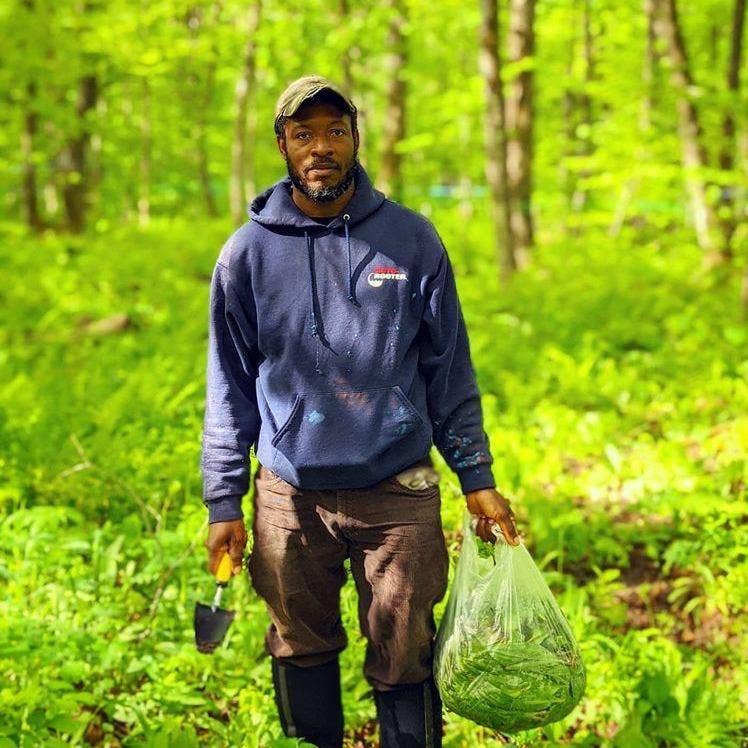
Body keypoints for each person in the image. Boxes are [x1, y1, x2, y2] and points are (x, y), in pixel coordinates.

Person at [200, 74, 520, 748]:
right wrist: (224, 502)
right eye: (304, 133)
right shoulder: (246, 256)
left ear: (355, 140)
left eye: (335, 131)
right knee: (300, 643)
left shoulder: (411, 240)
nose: (321, 146)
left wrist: (477, 478)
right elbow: (228, 387)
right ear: (283, 146)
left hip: (397, 487)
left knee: (406, 651)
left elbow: (449, 368)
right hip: (290, 493)